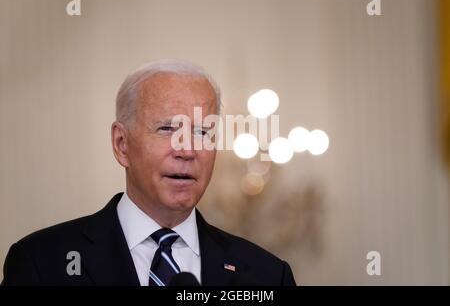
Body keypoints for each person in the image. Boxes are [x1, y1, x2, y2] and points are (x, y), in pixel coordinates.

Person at [1, 60, 296, 286]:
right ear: (122, 144)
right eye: (167, 129)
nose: (187, 150)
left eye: (202, 132)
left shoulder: (265, 274)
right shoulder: (42, 263)